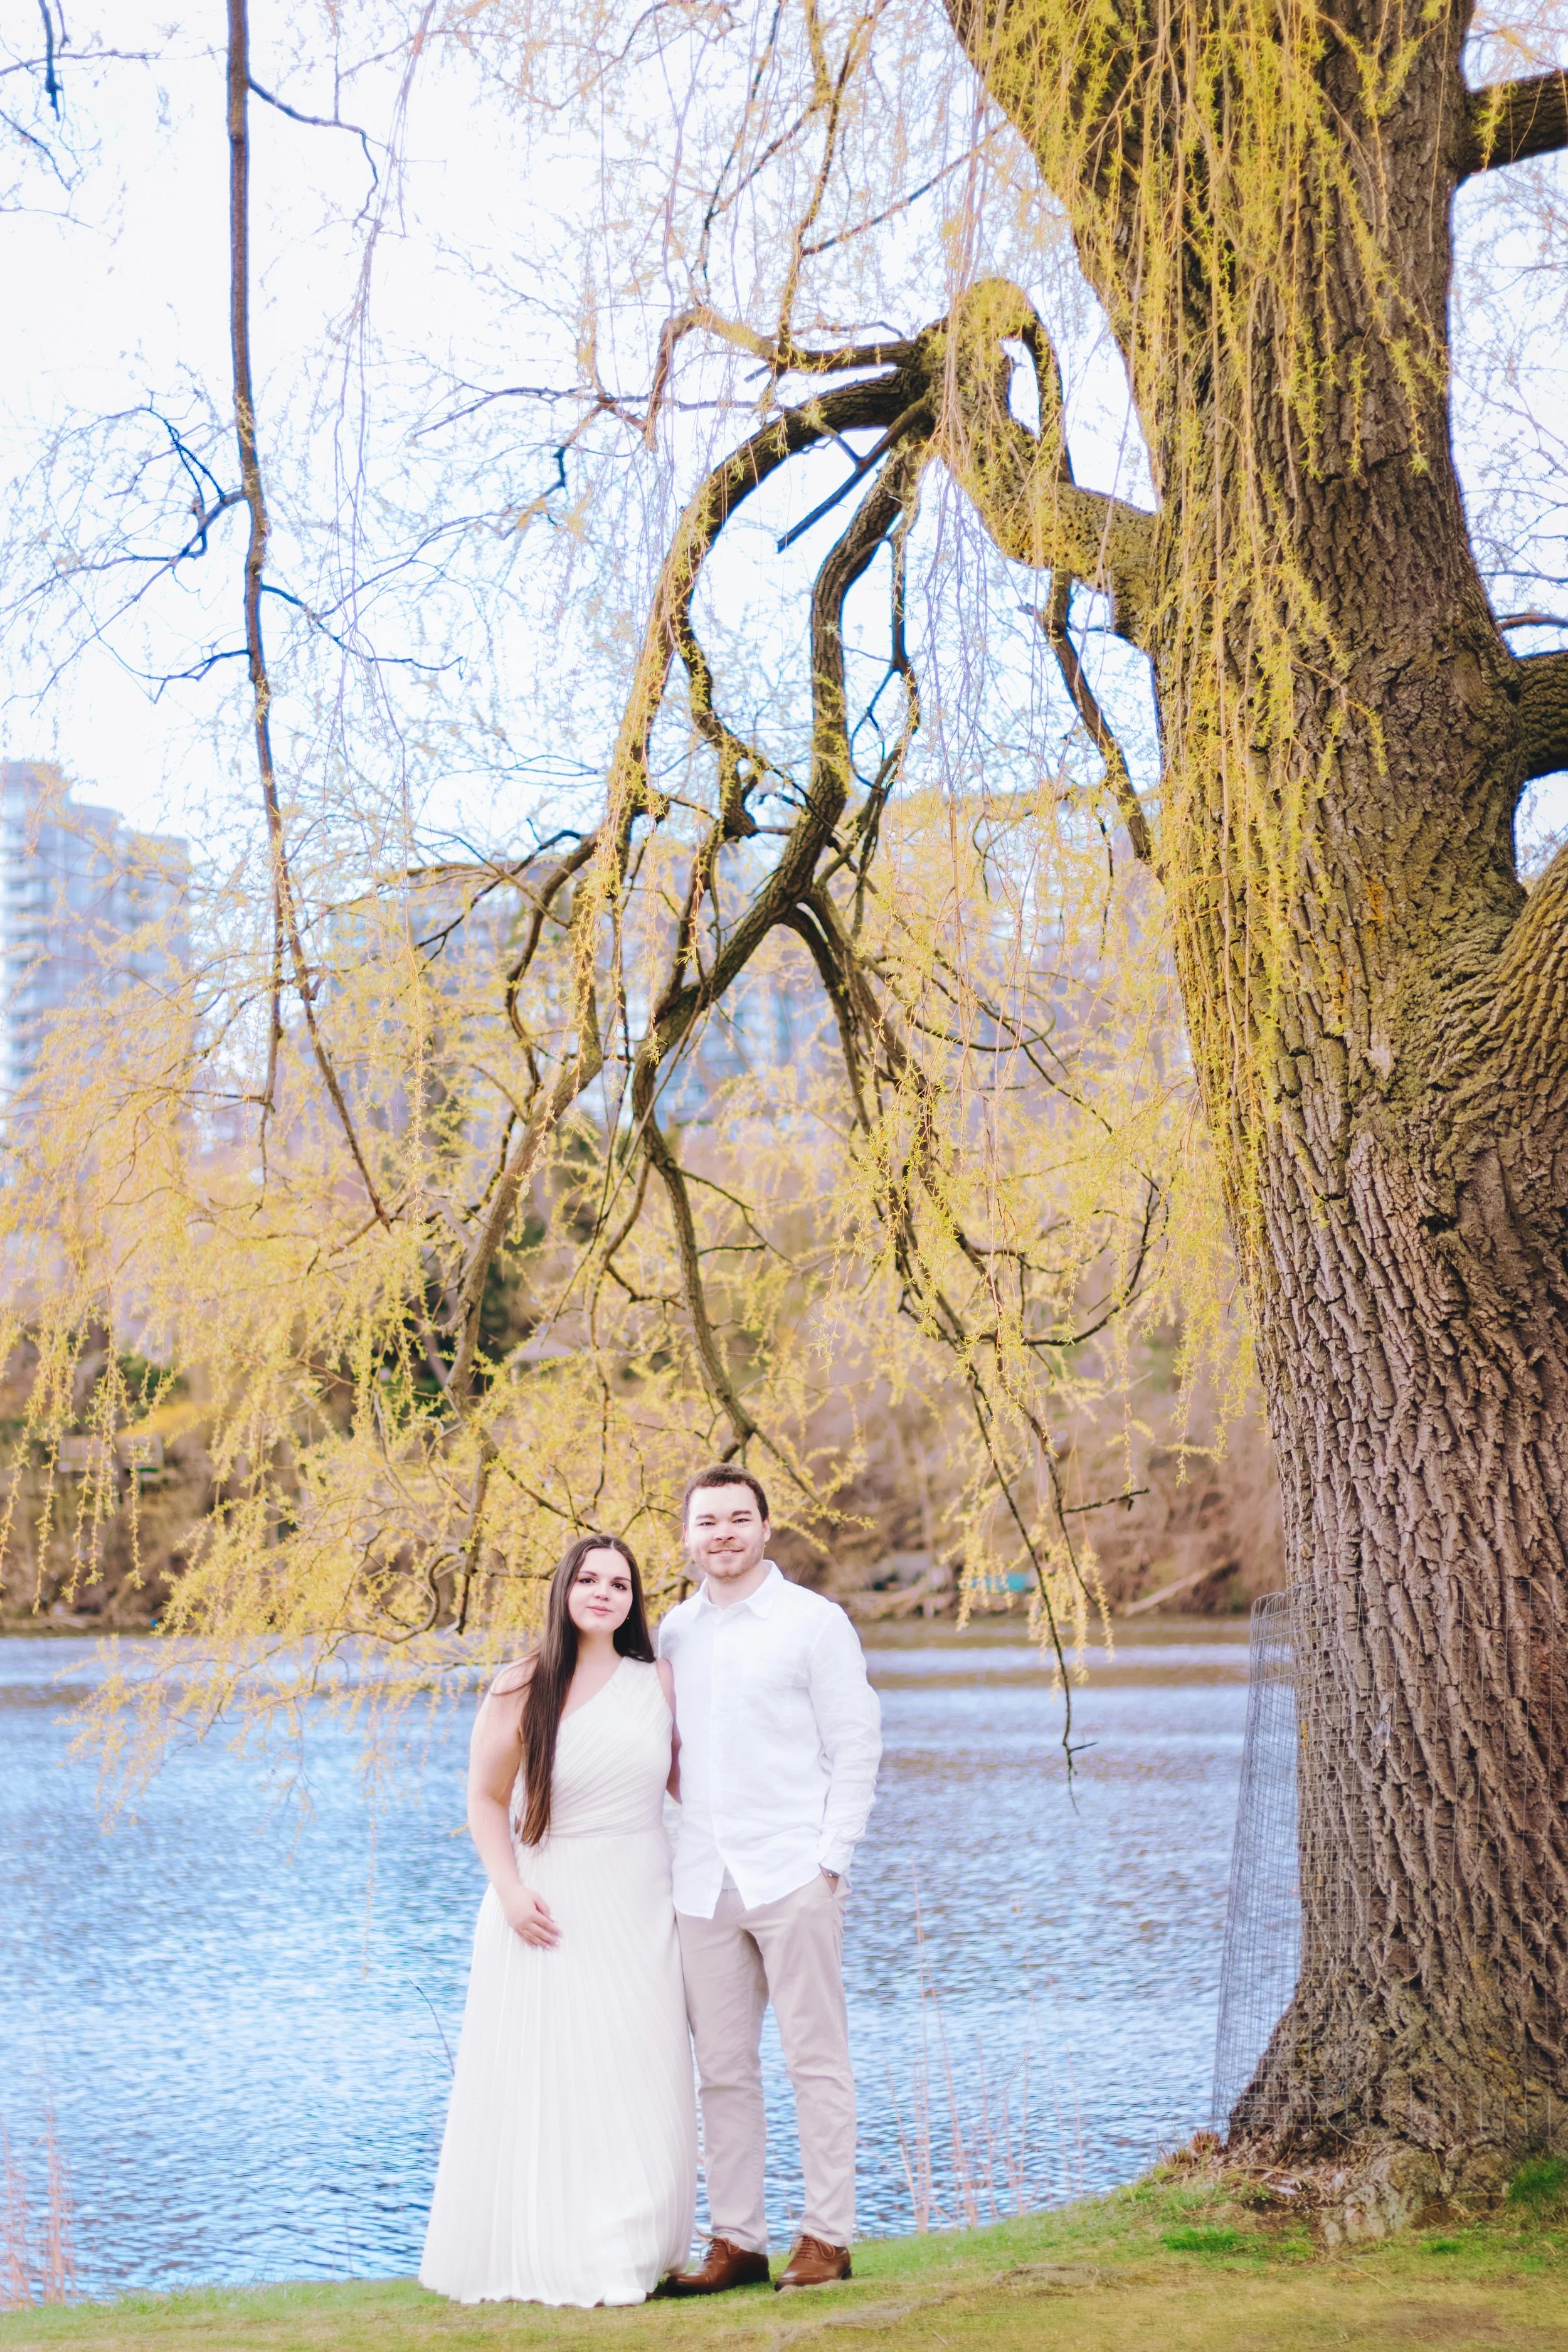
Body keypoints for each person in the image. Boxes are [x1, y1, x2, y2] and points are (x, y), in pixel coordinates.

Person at [420, 1534, 697, 2307]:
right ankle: (560, 2245)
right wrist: (508, 1891)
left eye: (620, 1582)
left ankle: (634, 2244)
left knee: (637, 2068)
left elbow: (694, 1789)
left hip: (641, 1896)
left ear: (634, 1598)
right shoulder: (522, 1682)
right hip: (546, 1898)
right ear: (564, 1590)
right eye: (589, 1579)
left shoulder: (660, 1681)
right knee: (555, 2071)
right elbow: (483, 1797)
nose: (604, 1593)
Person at [657, 1464, 882, 2294]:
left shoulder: (813, 1623)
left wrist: (833, 1859)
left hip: (794, 1872)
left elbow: (857, 1743)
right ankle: (738, 2241)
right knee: (721, 2069)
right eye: (707, 1521)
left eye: (738, 1518)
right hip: (702, 1881)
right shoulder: (673, 1632)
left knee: (815, 2061)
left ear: (764, 1526)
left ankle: (827, 2235)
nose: (723, 1533)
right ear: (687, 1536)